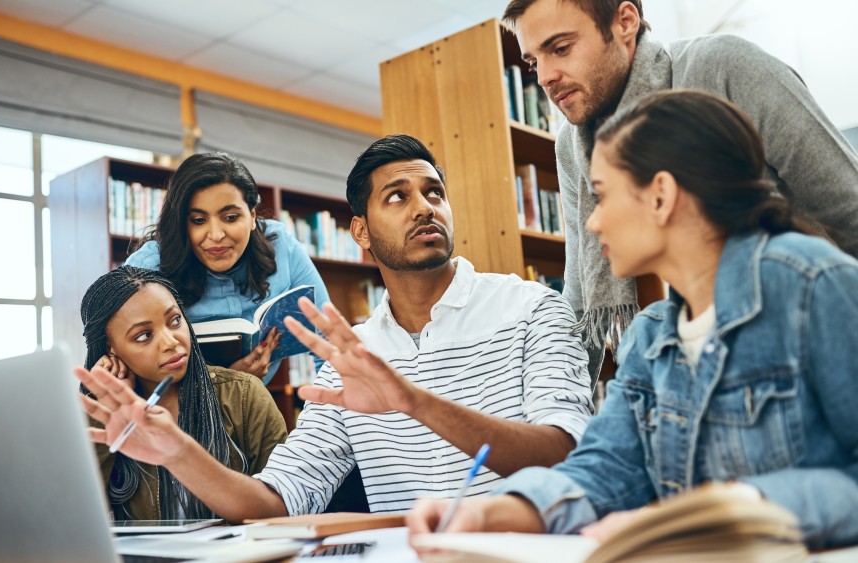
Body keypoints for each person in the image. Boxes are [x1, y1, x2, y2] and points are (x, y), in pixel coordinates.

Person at [406, 90, 858, 550]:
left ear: (661, 196)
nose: (592, 222)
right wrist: (485, 512)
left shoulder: (814, 284)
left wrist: (717, 514)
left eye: (601, 195)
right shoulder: (652, 336)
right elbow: (603, 471)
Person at [78, 134, 594, 522]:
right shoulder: (347, 364)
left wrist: (413, 401)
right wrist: (176, 450)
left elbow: (569, 455)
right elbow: (277, 500)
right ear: (361, 232)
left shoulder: (533, 309)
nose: (423, 207)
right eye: (397, 196)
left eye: (434, 193)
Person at [502, 0, 858, 381]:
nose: (545, 78)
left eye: (561, 48)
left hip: (824, 324)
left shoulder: (722, 66)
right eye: (533, 62)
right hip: (722, 352)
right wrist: (556, 407)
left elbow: (848, 206)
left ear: (625, 22)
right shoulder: (572, 147)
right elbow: (579, 297)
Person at [80, 265, 287, 520]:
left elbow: (283, 503)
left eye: (175, 321)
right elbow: (74, 519)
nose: (171, 342)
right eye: (144, 335)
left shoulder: (244, 396)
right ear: (110, 349)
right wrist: (106, 411)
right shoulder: (92, 417)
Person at [125, 152, 330, 384]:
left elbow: (329, 342)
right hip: (172, 413)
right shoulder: (148, 266)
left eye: (231, 217)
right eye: (198, 221)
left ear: (252, 216)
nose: (216, 235)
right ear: (181, 223)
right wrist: (232, 383)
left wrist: (323, 415)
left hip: (253, 410)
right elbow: (122, 363)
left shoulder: (282, 246)